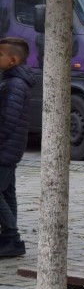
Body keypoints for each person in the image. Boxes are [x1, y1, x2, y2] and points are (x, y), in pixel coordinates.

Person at [0, 38, 34, 258]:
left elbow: (8, 119)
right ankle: (8, 237)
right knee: (7, 191)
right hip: (11, 148)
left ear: (13, 60)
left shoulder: (14, 84)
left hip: (5, 148)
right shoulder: (12, 80)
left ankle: (12, 237)